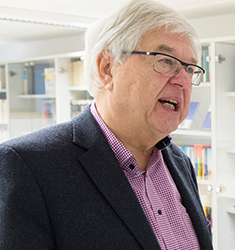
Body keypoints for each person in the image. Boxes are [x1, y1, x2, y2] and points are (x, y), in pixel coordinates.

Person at [0, 0, 212, 249]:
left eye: (189, 69)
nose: (182, 81)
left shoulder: (180, 162)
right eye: (166, 61)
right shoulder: (27, 165)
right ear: (107, 68)